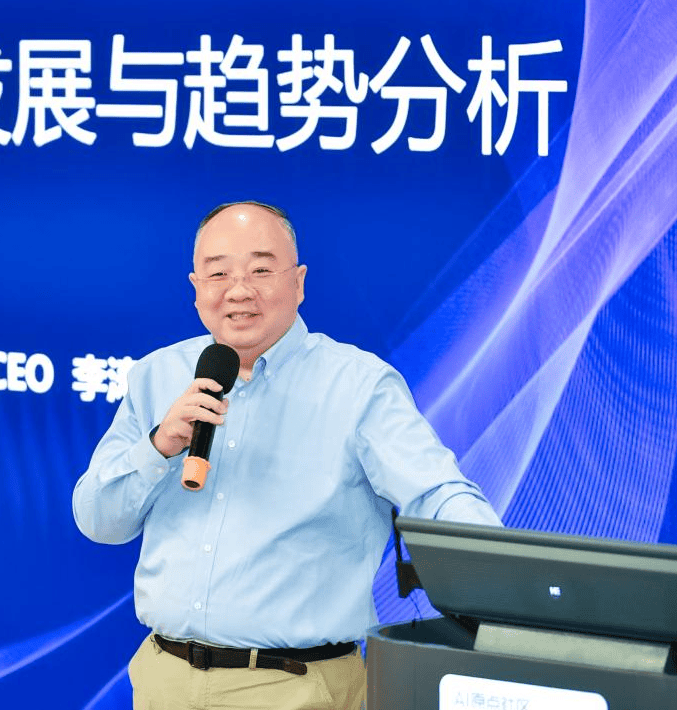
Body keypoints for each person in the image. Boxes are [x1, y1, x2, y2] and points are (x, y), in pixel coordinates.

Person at [72, 201, 501, 710]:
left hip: (298, 687)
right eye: (218, 273)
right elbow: (98, 520)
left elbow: (436, 493)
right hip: (164, 681)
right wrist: (158, 446)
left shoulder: (359, 385)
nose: (238, 290)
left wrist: (507, 578)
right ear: (196, 288)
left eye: (260, 270)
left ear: (298, 283)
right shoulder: (157, 375)